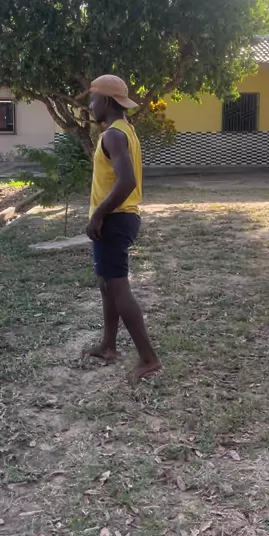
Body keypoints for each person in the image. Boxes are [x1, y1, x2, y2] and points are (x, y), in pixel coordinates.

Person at [86, 74, 161, 385]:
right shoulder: (125, 130)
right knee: (106, 285)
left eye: (92, 99)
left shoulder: (114, 135)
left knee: (118, 289)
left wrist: (98, 215)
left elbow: (127, 181)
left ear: (106, 101)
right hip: (119, 217)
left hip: (115, 218)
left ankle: (149, 358)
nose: (90, 106)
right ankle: (109, 346)